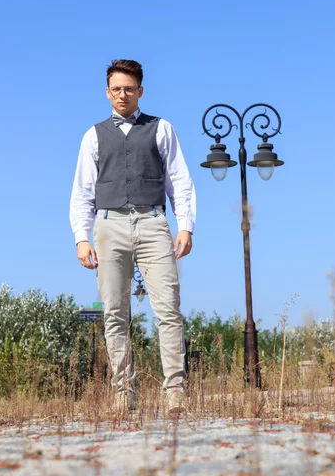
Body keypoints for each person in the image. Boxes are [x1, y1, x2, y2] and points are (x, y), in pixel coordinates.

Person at [70, 59, 196, 415]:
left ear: (140, 91)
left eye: (129, 88)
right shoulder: (93, 135)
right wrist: (82, 236)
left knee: (169, 309)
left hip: (154, 223)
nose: (122, 94)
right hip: (108, 226)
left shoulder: (161, 128)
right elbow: (82, 191)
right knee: (114, 313)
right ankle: (124, 393)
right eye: (116, 89)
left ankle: (175, 393)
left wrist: (185, 225)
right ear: (107, 92)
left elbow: (180, 180)